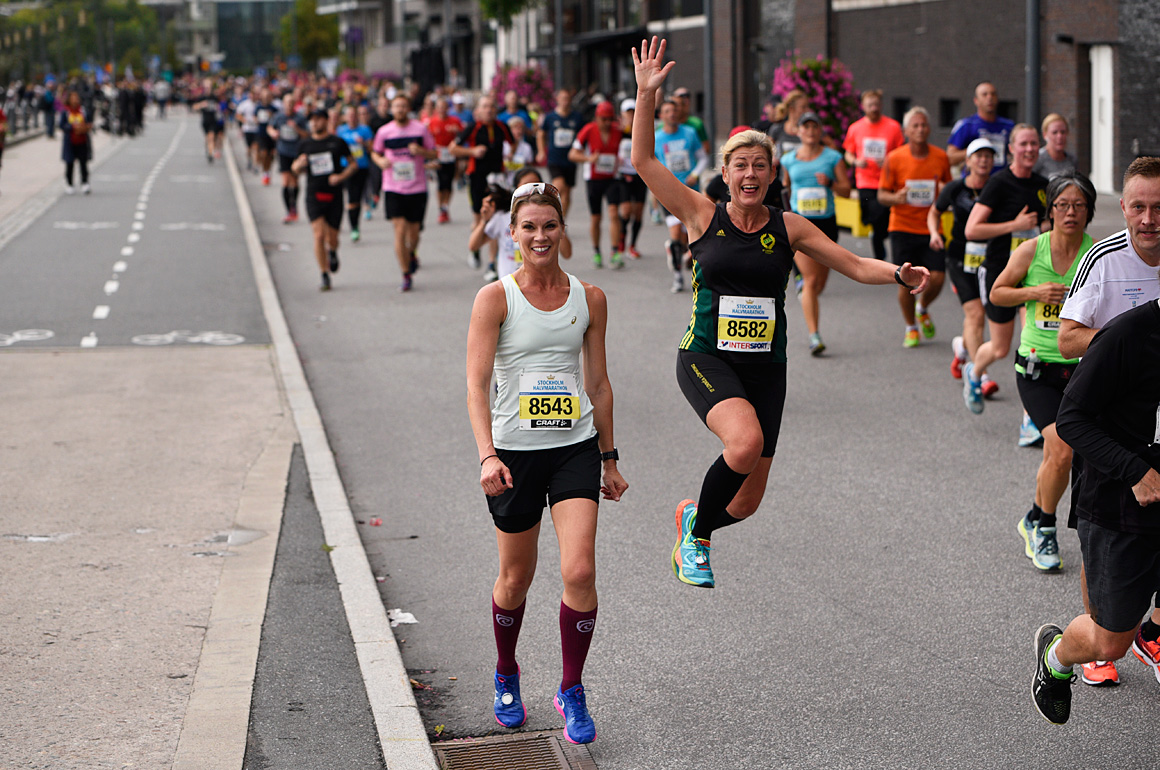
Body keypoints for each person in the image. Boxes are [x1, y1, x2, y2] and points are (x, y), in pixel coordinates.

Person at [631, 37, 929, 589]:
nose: (749, 175)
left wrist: (898, 274)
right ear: (725, 172)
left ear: (773, 174)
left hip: (767, 365)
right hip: (706, 356)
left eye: (759, 166)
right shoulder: (700, 213)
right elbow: (644, 160)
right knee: (741, 444)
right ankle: (696, 541)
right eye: (740, 165)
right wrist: (647, 95)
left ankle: (695, 516)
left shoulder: (787, 226)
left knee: (746, 503)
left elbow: (853, 264)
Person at [465, 180, 628, 745]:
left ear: (563, 230)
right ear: (512, 233)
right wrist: (487, 454)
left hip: (574, 449)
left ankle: (571, 688)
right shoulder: (495, 298)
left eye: (549, 225)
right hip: (513, 456)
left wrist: (608, 457)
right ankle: (507, 672)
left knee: (579, 570)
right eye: (528, 227)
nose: (539, 235)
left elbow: (600, 383)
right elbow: (475, 387)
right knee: (516, 578)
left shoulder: (590, 298)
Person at [1056, 156, 1160, 687]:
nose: (1149, 219)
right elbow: (1066, 336)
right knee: (1103, 543)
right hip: (1108, 425)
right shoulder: (1105, 257)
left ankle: (1155, 632)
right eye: (1138, 207)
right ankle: (1098, 640)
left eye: (1159, 207)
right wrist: (1125, 352)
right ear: (1123, 209)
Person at [1032, 297, 1160, 725]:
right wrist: (1135, 471)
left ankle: (1155, 634)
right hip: (1121, 505)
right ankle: (1056, 656)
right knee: (1108, 643)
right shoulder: (1127, 335)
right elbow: (1070, 419)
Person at [989, 173, 1096, 574]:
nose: (1070, 212)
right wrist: (1034, 292)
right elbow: (998, 292)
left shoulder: (1096, 254)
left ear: (1088, 212)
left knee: (1059, 452)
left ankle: (1034, 516)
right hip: (1035, 368)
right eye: (1063, 205)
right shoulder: (1032, 251)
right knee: (1063, 449)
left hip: (1082, 369)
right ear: (1050, 210)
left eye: (1078, 205)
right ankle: (1045, 528)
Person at [961, 124, 1048, 413]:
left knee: (1032, 344)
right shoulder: (999, 183)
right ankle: (974, 373)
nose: (1029, 149)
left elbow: (1047, 226)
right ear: (1011, 148)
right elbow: (972, 229)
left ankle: (1031, 418)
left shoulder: (1042, 185)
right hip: (1000, 273)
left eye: (1034, 144)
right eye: (1023, 144)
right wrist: (1015, 225)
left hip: (1031, 276)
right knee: (1000, 348)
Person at [877, 106, 952, 348]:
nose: (920, 129)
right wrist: (896, 198)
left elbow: (948, 189)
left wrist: (942, 194)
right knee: (905, 280)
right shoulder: (895, 158)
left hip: (931, 228)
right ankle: (911, 328)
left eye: (924, 125)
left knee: (939, 277)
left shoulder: (940, 157)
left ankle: (923, 307)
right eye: (915, 126)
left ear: (929, 129)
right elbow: (881, 195)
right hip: (902, 227)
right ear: (907, 130)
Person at [782, 110, 851, 355]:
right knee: (811, 281)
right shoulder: (788, 160)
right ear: (798, 131)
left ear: (820, 131)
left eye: (814, 127)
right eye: (806, 127)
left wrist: (830, 184)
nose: (810, 132)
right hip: (801, 226)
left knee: (819, 282)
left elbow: (846, 190)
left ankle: (803, 285)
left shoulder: (833, 158)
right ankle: (815, 335)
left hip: (827, 225)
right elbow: (784, 189)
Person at [930, 138, 996, 379]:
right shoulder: (955, 188)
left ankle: (962, 347)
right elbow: (934, 212)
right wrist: (934, 232)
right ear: (967, 161)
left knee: (978, 315)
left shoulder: (997, 187)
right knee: (976, 314)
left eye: (988, 156)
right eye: (978, 156)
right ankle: (981, 374)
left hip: (990, 260)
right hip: (959, 257)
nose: (983, 160)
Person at [372, 95, 438, 293]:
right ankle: (405, 273)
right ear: (391, 109)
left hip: (417, 187)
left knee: (414, 232)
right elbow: (375, 152)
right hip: (393, 187)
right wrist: (380, 161)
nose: (400, 109)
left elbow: (434, 152)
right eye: (396, 106)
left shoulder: (420, 129)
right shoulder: (384, 131)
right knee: (399, 230)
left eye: (403, 106)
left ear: (408, 108)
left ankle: (411, 253)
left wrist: (421, 152)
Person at [291, 109, 355, 291]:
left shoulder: (337, 142)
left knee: (332, 238)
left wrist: (341, 177)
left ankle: (333, 252)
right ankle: (324, 274)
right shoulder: (305, 145)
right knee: (318, 235)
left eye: (318, 120)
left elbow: (353, 164)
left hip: (334, 195)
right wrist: (298, 165)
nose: (314, 123)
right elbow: (294, 168)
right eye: (312, 120)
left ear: (326, 121)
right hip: (314, 195)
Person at [453, 96, 514, 270]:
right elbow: (453, 148)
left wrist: (509, 156)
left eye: (492, 106)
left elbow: (513, 143)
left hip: (497, 178)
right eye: (485, 106)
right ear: (478, 111)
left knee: (497, 216)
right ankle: (475, 248)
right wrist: (472, 150)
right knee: (480, 217)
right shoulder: (473, 128)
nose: (489, 110)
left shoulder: (502, 126)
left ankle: (491, 263)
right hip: (477, 177)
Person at [654, 97, 708, 293]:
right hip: (668, 193)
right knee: (676, 233)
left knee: (691, 234)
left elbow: (703, 157)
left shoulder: (690, 133)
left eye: (674, 111)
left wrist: (695, 174)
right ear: (661, 115)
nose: (672, 114)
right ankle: (678, 277)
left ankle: (683, 257)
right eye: (667, 111)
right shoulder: (656, 138)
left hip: (691, 190)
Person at [844, 89, 904, 262]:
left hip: (887, 180)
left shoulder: (893, 127)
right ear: (863, 106)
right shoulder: (856, 128)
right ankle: (878, 246)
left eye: (877, 104)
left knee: (882, 218)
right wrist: (856, 162)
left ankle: (879, 247)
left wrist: (888, 161)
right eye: (870, 105)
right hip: (865, 180)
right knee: (874, 217)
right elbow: (848, 153)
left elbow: (901, 152)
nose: (874, 108)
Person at [568, 101, 624, 269]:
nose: (607, 123)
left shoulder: (618, 130)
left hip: (612, 178)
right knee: (596, 217)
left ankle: (615, 252)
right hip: (593, 179)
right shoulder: (588, 130)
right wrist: (588, 159)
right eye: (603, 119)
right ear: (597, 118)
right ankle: (597, 251)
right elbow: (572, 154)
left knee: (614, 213)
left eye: (609, 119)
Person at [947, 81, 1015, 171]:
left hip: (1000, 180)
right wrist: (977, 149)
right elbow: (950, 158)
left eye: (993, 94)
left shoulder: (1008, 126)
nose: (989, 98)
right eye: (984, 95)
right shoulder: (967, 125)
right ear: (976, 100)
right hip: (975, 181)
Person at [537, 90, 583, 219]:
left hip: (570, 160)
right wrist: (541, 151)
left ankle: (561, 219)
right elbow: (541, 134)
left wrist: (581, 151)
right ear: (557, 100)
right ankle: (549, 213)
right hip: (554, 158)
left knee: (567, 194)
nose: (565, 101)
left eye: (567, 98)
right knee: (559, 186)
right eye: (562, 98)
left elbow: (582, 136)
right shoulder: (550, 117)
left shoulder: (576, 117)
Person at [610, 98, 647, 260]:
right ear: (622, 114)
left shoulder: (642, 130)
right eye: (628, 113)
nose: (631, 116)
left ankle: (633, 245)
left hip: (640, 175)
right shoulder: (618, 132)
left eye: (633, 112)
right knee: (626, 211)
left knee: (638, 213)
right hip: (623, 175)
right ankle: (621, 242)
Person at [336, 105, 373, 242]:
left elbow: (371, 148)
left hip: (360, 168)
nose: (351, 118)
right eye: (349, 115)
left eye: (354, 115)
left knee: (355, 199)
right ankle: (342, 223)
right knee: (343, 198)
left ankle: (354, 227)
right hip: (344, 168)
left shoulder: (365, 130)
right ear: (345, 118)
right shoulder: (340, 130)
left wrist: (363, 143)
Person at [424, 96, 463, 223]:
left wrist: (457, 132)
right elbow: (427, 140)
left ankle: (445, 206)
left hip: (451, 155)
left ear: (448, 108)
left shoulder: (455, 121)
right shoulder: (431, 122)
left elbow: (463, 136)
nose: (442, 110)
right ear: (436, 109)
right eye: (439, 107)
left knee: (449, 183)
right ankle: (441, 208)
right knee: (441, 183)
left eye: (444, 107)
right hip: (438, 155)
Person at [268, 102, 308, 224]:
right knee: (285, 181)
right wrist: (273, 133)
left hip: (295, 152)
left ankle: (294, 206)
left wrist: (296, 128)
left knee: (294, 181)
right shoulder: (279, 117)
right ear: (284, 105)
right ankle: (288, 211)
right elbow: (270, 127)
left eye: (291, 105)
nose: (289, 107)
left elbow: (306, 135)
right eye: (287, 104)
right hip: (283, 151)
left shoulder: (300, 118)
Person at [60, 91, 92, 195]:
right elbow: (61, 125)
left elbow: (89, 122)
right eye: (73, 98)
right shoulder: (65, 112)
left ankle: (85, 183)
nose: (75, 100)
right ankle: (69, 184)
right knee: (69, 164)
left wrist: (85, 127)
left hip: (82, 140)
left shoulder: (83, 110)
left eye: (76, 97)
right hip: (70, 141)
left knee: (83, 163)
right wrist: (72, 127)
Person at [1033, 114, 1078, 179]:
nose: (1059, 136)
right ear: (1045, 135)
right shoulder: (1037, 159)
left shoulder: (1072, 160)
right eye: (1054, 132)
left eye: (1063, 132)